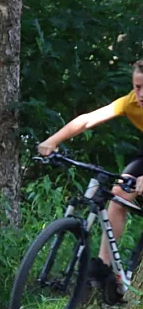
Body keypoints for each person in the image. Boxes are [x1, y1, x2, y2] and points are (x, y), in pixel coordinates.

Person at [37, 59, 143, 287]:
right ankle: (104, 267)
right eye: (137, 87)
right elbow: (87, 120)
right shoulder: (130, 102)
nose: (141, 94)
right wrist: (53, 140)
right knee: (118, 194)